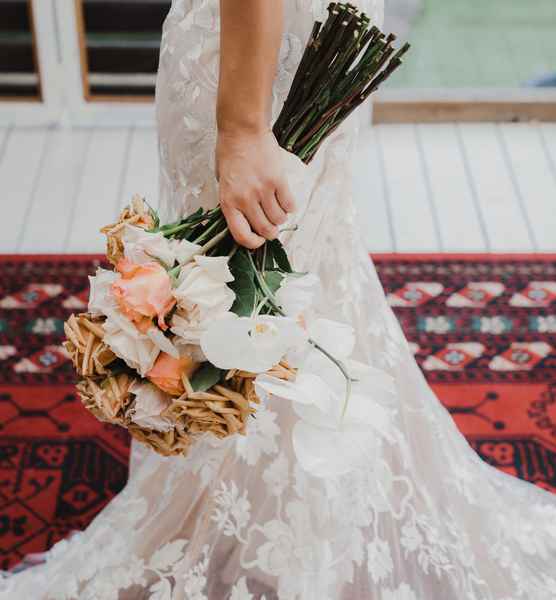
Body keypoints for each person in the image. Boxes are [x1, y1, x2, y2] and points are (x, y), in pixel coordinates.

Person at [2, 1, 556, 598]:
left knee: (251, 294)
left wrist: (242, 128)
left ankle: (287, 524)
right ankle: (276, 510)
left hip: (253, 65)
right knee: (285, 288)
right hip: (296, 37)